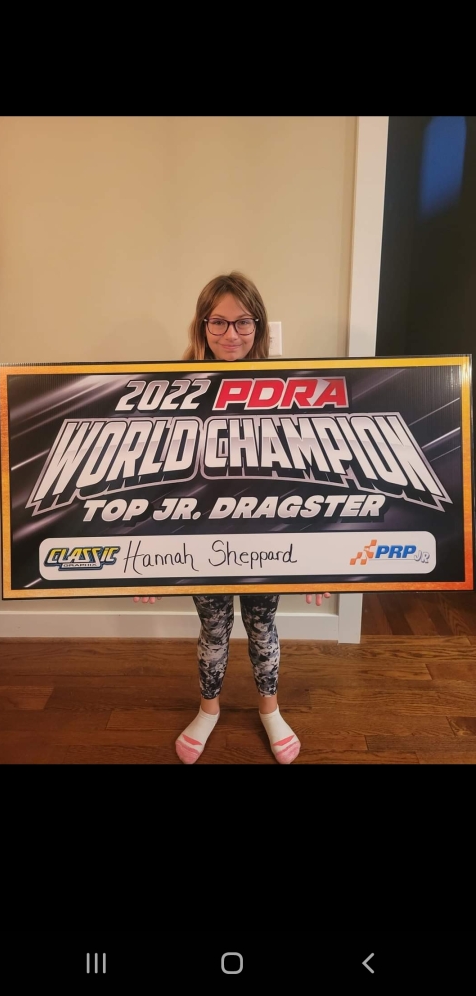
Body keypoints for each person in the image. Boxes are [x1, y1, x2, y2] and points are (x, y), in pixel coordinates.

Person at [134, 272, 330, 764]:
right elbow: (157, 478)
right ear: (201, 326)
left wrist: (322, 561)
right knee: (214, 630)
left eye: (243, 322)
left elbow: (303, 476)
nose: (231, 334)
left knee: (263, 626)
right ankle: (208, 710)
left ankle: (270, 710)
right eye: (218, 322)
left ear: (258, 325)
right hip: (203, 541)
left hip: (266, 538)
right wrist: (143, 562)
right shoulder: (172, 390)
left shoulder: (283, 388)